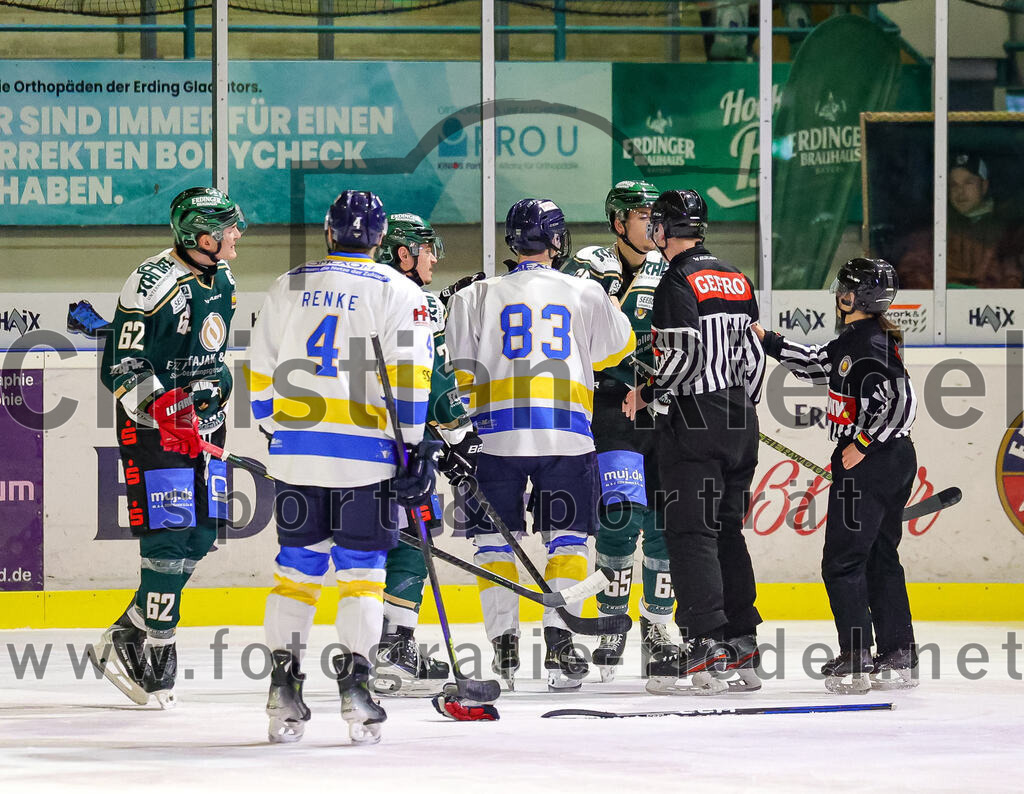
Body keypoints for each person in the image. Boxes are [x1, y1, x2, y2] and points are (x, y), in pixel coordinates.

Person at [245, 190, 437, 743]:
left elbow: (260, 367)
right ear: (380, 240)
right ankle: (356, 688)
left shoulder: (289, 284)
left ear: (330, 233)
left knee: (295, 569)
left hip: (297, 454)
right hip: (367, 459)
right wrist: (414, 447)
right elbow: (411, 375)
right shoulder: (399, 291)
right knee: (361, 575)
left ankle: (284, 686)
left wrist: (274, 429)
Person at [446, 198, 635, 691]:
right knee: (569, 541)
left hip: (493, 438)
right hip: (565, 435)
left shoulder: (475, 296)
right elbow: (618, 348)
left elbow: (459, 371)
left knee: (493, 542)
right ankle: (560, 644)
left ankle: (503, 646)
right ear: (555, 241)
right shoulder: (584, 290)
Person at [88, 187, 246, 708]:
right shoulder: (149, 283)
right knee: (169, 535)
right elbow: (122, 365)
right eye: (228, 230)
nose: (237, 236)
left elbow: (214, 353)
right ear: (202, 237)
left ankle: (126, 631)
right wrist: (163, 410)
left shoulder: (222, 277)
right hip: (152, 430)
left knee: (201, 536)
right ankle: (157, 643)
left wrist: (215, 390)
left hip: (207, 426)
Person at [752, 258, 919, 694]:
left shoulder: (871, 343)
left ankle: (857, 656)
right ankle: (899, 651)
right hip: (891, 460)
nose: (836, 293)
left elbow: (900, 402)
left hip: (873, 461)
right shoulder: (857, 339)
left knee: (843, 562)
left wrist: (860, 445)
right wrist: (767, 340)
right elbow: (811, 363)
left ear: (855, 296)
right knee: (881, 557)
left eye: (843, 287)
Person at [623, 189, 765, 695]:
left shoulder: (675, 279)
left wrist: (649, 393)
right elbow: (753, 358)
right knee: (728, 532)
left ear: (664, 230)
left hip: (695, 423)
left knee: (691, 535)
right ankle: (742, 643)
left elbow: (679, 358)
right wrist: (738, 410)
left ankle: (705, 644)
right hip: (740, 422)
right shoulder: (736, 277)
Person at [564, 180, 678, 682]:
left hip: (664, 407)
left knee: (663, 520)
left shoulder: (671, 265)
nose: (652, 224)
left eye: (656, 215)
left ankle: (657, 625)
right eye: (642, 215)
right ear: (618, 223)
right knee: (618, 515)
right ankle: (614, 621)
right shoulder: (588, 266)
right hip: (610, 408)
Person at [371, 213, 483, 697]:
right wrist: (461, 438)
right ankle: (395, 644)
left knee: (365, 543)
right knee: (415, 534)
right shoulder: (419, 303)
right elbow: (436, 383)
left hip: (349, 440)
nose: (434, 257)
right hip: (402, 443)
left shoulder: (360, 290)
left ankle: (371, 645)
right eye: (426, 248)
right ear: (403, 253)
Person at [896, 152, 1023, 289]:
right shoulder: (934, 229)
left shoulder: (1009, 232)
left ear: (984, 186)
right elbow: (912, 269)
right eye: (954, 185)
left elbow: (1013, 276)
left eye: (969, 183)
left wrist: (977, 296)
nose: (960, 192)